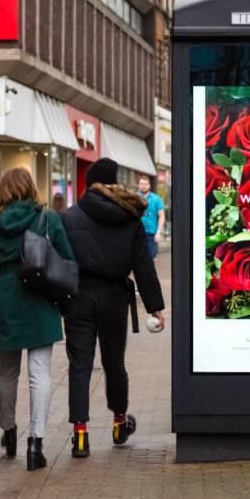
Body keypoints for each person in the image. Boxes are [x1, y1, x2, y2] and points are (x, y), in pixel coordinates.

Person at [0, 168, 75, 471]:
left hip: (7, 298)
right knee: (39, 374)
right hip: (41, 296)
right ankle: (36, 443)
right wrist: (69, 298)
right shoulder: (48, 218)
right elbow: (68, 258)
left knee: (7, 372)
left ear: (2, 191)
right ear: (30, 188)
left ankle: (9, 430)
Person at [62, 158, 165, 458]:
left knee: (79, 365)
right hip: (115, 298)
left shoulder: (69, 217)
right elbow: (143, 265)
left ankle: (80, 435)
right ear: (114, 182)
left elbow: (60, 261)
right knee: (114, 363)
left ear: (89, 183)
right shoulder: (130, 217)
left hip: (79, 297)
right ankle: (120, 422)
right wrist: (155, 306)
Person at [137, 175, 166, 260]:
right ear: (138, 185)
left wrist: (158, 232)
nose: (143, 186)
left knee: (150, 259)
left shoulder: (156, 199)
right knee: (137, 259)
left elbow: (162, 216)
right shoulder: (134, 198)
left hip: (151, 235)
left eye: (145, 184)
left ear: (149, 185)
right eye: (141, 184)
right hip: (137, 233)